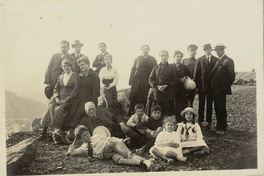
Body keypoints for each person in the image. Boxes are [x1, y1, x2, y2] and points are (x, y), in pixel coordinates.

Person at [66, 125, 155, 171]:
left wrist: (122, 141)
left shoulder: (96, 136)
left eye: (87, 133)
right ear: (80, 139)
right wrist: (74, 143)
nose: (87, 136)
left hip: (113, 144)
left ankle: (146, 161)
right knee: (119, 160)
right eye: (84, 135)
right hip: (110, 154)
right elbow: (72, 152)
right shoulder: (83, 148)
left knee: (129, 155)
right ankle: (141, 163)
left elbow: (110, 138)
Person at [41, 59, 78, 140]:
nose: (66, 67)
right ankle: (44, 132)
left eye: (68, 66)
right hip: (59, 98)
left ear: (71, 66)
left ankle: (57, 131)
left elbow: (75, 91)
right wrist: (57, 98)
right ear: (62, 67)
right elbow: (56, 89)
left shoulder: (75, 76)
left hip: (70, 99)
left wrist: (65, 100)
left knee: (58, 110)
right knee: (50, 106)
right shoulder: (60, 76)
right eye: (64, 66)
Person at [62, 56, 100, 131]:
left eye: (83, 64)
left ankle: (83, 130)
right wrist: (68, 99)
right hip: (79, 98)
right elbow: (76, 90)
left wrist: (92, 103)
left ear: (88, 64)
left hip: (90, 98)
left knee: (83, 112)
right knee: (70, 109)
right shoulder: (79, 76)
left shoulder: (95, 76)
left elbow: (96, 92)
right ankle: (72, 131)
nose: (81, 67)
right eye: (80, 65)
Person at [210, 44, 235, 135]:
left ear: (223, 50)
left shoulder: (228, 60)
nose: (217, 52)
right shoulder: (219, 61)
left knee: (221, 107)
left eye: (219, 50)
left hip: (221, 90)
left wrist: (224, 87)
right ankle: (219, 125)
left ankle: (223, 127)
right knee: (217, 107)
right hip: (215, 90)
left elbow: (231, 76)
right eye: (216, 50)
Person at [194, 44, 218, 128]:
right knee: (201, 104)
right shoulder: (200, 59)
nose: (207, 51)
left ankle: (209, 121)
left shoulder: (216, 60)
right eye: (205, 50)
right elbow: (196, 74)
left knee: (209, 105)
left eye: (208, 49)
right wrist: (196, 86)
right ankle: (200, 121)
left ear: (211, 50)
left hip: (212, 87)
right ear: (203, 51)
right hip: (202, 87)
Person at [128, 45, 157, 115]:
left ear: (149, 50)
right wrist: (131, 79)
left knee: (145, 97)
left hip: (147, 81)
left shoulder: (152, 59)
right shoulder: (137, 58)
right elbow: (133, 69)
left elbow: (156, 70)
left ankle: (145, 113)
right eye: (143, 49)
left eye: (146, 49)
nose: (145, 50)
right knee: (134, 96)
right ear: (141, 50)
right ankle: (131, 112)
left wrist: (154, 82)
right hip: (137, 81)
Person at [149, 50, 174, 116]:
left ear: (168, 56)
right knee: (158, 111)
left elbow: (174, 80)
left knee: (168, 112)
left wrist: (166, 85)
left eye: (165, 55)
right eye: (162, 55)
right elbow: (150, 79)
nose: (163, 57)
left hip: (168, 94)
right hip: (158, 94)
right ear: (160, 57)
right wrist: (157, 86)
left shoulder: (171, 67)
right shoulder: (156, 67)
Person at [171, 50, 190, 122]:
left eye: (180, 57)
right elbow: (169, 77)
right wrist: (179, 80)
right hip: (173, 90)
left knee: (183, 106)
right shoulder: (170, 66)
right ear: (174, 57)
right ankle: (174, 123)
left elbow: (189, 76)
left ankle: (183, 122)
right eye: (177, 56)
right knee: (174, 107)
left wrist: (186, 78)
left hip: (182, 91)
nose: (179, 58)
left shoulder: (184, 67)